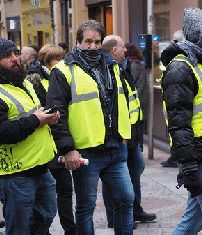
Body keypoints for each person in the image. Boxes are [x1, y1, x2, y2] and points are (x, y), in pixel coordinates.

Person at [46, 20, 135, 235]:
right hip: (86, 151)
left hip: (115, 148)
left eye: (96, 42)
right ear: (78, 42)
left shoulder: (111, 65)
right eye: (88, 42)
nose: (93, 46)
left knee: (126, 199)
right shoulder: (63, 70)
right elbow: (57, 114)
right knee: (86, 208)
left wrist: (124, 135)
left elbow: (119, 103)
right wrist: (68, 149)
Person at [161, 8, 202, 234]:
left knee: (195, 220)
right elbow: (178, 121)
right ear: (199, 33)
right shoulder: (182, 67)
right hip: (200, 156)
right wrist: (188, 164)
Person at [0, 38, 59, 234]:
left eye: (15, 53)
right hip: (15, 175)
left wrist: (49, 117)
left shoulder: (23, 83)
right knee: (19, 229)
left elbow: (33, 114)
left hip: (40, 167)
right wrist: (36, 121)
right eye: (6, 56)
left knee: (45, 218)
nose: (14, 59)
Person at [101, 37, 157, 228]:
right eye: (123, 46)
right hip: (119, 136)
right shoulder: (106, 70)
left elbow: (132, 101)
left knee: (135, 169)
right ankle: (116, 216)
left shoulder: (123, 68)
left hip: (131, 133)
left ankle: (134, 209)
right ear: (115, 50)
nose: (126, 49)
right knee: (115, 177)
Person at [27, 44, 76, 235]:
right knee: (42, 194)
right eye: (55, 60)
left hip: (58, 144)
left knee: (64, 189)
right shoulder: (36, 83)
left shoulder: (62, 77)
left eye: (61, 59)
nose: (59, 63)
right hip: (44, 146)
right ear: (46, 62)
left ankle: (69, 228)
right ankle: (42, 229)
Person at [160, 29, 185, 168]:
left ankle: (175, 157)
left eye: (176, 40)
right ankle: (174, 156)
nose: (172, 43)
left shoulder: (180, 63)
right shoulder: (173, 61)